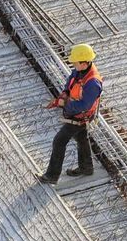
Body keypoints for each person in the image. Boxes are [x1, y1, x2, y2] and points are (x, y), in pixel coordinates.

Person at [36, 43, 102, 185]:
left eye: (75, 63)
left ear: (84, 63)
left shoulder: (93, 83)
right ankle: (86, 167)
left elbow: (84, 105)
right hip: (75, 113)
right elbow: (70, 81)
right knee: (81, 138)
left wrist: (65, 104)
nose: (73, 65)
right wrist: (65, 93)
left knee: (59, 141)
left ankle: (52, 175)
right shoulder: (79, 71)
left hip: (80, 115)